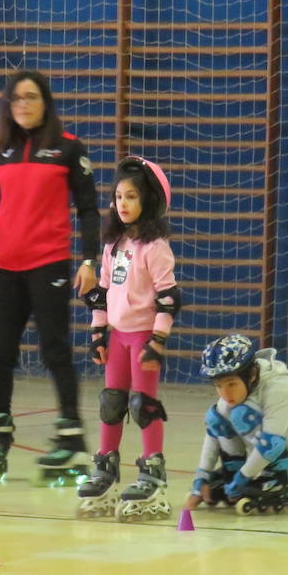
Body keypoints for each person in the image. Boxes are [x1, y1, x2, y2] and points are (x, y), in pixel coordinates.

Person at [0, 70, 100, 481]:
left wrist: (89, 261)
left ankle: (71, 435)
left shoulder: (67, 149)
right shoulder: (1, 153)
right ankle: (0, 429)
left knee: (55, 350)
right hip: (5, 266)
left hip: (49, 264)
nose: (23, 104)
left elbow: (89, 209)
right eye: (16, 99)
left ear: (46, 102)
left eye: (31, 97)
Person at [77, 157, 181, 520]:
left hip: (141, 339)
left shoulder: (155, 248)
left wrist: (157, 341)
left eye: (132, 196)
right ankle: (106, 466)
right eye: (118, 196)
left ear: (149, 201)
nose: (122, 203)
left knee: (143, 404)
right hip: (118, 337)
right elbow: (103, 292)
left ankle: (153, 469)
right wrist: (97, 333)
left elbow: (169, 298)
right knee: (111, 402)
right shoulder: (113, 244)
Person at [183, 334, 288, 515]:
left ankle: (281, 478)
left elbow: (272, 444)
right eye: (218, 386)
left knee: (241, 414)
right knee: (217, 416)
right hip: (274, 443)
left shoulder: (279, 388)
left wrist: (244, 477)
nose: (225, 393)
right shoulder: (234, 394)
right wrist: (201, 477)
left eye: (231, 384)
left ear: (251, 375)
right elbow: (213, 431)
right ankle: (231, 470)